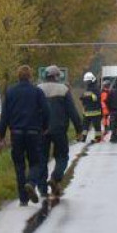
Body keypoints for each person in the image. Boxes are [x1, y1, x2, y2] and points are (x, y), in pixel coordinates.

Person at [0, 65, 50, 206]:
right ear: (30, 76)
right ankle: (31, 183)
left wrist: (1, 135)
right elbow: (46, 111)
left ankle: (23, 199)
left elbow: (5, 116)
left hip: (16, 133)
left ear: (18, 76)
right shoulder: (37, 92)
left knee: (19, 165)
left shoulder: (10, 92)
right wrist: (45, 127)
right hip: (34, 132)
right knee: (36, 162)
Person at [38, 65, 83, 196]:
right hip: (59, 129)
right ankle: (55, 178)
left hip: (42, 130)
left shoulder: (38, 89)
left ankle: (42, 189)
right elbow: (72, 111)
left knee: (42, 159)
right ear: (57, 76)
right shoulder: (63, 89)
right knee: (62, 156)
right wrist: (79, 129)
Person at [80, 72, 104, 143]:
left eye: (87, 81)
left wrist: (86, 97)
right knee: (95, 126)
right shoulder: (95, 89)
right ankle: (95, 138)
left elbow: (83, 98)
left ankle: (85, 138)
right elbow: (97, 99)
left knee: (86, 126)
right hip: (95, 111)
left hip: (90, 111)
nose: (87, 82)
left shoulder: (92, 89)